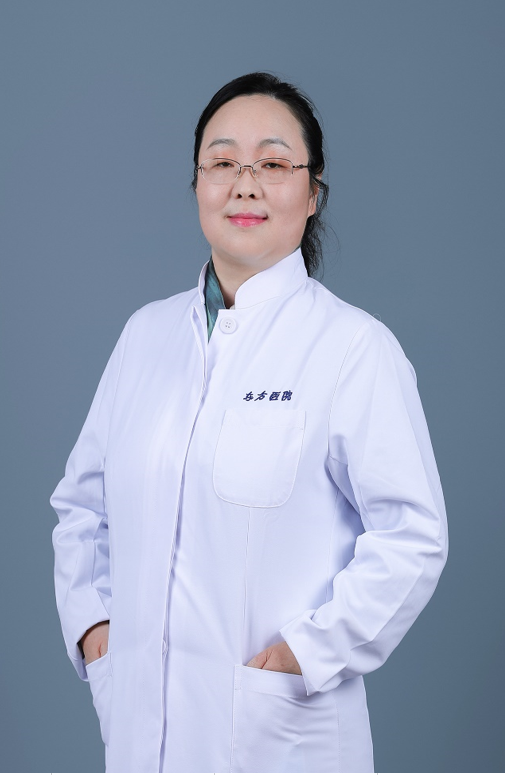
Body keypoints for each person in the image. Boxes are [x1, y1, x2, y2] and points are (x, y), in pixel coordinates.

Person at [50, 72, 449, 774]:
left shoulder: (353, 348)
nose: (245, 184)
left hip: (279, 735)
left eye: (272, 163)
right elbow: (82, 507)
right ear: (197, 183)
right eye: (222, 162)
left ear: (312, 192)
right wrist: (94, 630)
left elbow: (412, 536)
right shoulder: (144, 336)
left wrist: (308, 653)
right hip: (140, 736)